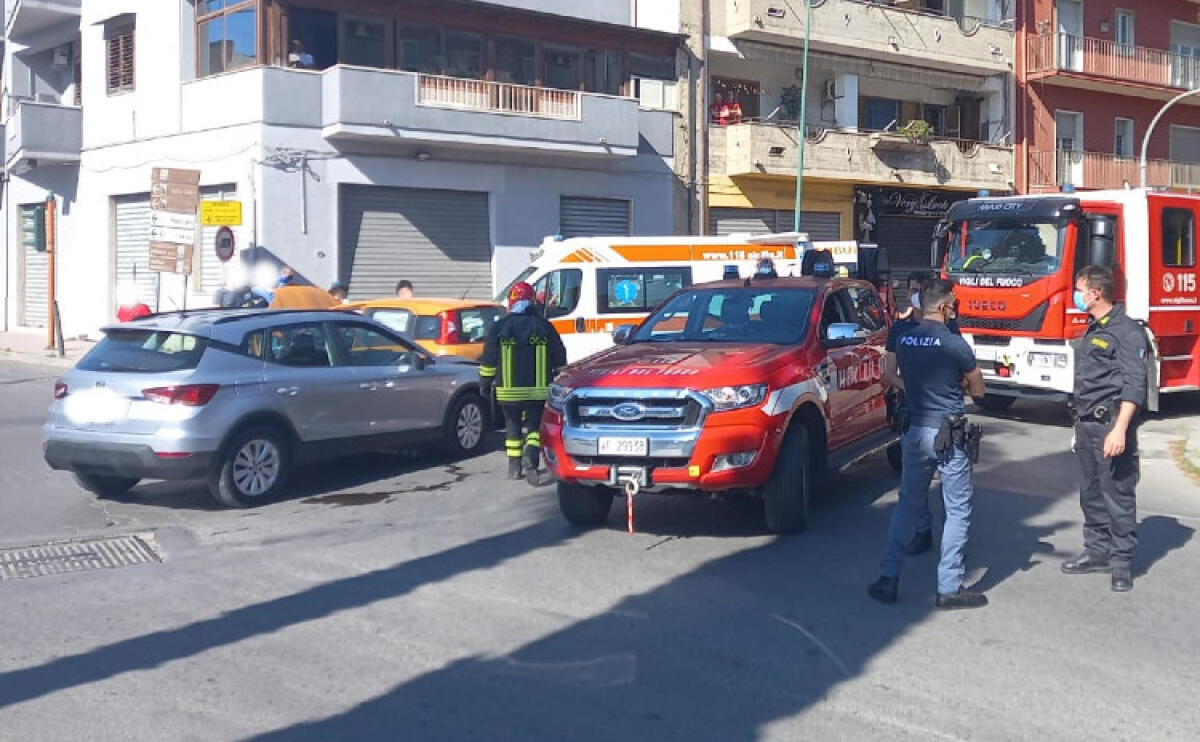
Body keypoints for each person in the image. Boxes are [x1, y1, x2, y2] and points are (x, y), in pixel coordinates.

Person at [869, 278, 988, 610]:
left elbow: (897, 376)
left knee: (907, 504)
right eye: (954, 305)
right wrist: (959, 385)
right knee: (957, 510)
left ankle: (888, 578)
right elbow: (979, 390)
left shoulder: (905, 339)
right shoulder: (955, 345)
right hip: (948, 435)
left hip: (915, 430)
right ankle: (949, 588)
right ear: (946, 307)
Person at [1062, 265, 1147, 592]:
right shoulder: (1091, 327)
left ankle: (1121, 562)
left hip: (1111, 424)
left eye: (1079, 289)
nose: (1077, 296)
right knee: (1091, 492)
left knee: (1118, 493)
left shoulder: (1126, 332)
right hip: (1086, 424)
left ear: (1095, 293)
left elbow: (1134, 386)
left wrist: (1120, 429)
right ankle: (1096, 551)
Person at [479, 282, 567, 484]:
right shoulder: (544, 325)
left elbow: (489, 359)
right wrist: (559, 377)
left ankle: (514, 467)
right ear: (532, 300)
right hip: (538, 392)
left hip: (508, 392)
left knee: (512, 428)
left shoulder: (500, 327)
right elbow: (559, 355)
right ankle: (531, 459)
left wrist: (484, 384)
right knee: (534, 428)